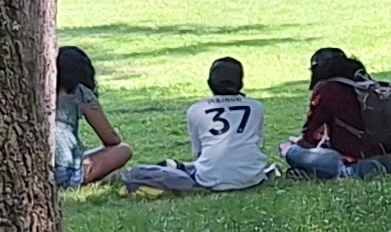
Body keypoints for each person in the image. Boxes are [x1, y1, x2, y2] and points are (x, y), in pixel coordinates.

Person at [119, 56, 273, 191]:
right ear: (240, 83)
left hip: (210, 178)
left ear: (209, 83)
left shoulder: (197, 110)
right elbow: (258, 143)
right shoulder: (256, 107)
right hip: (252, 177)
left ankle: (177, 167)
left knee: (175, 169)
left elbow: (199, 152)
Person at [283, 47, 391, 180]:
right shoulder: (366, 84)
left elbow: (309, 139)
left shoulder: (327, 89)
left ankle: (323, 173)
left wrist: (297, 144)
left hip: (364, 166)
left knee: (290, 151)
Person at [52, 45, 131, 189]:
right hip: (65, 172)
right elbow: (111, 139)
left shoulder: (42, 92)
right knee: (124, 149)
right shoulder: (81, 93)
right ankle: (82, 176)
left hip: (40, 170)